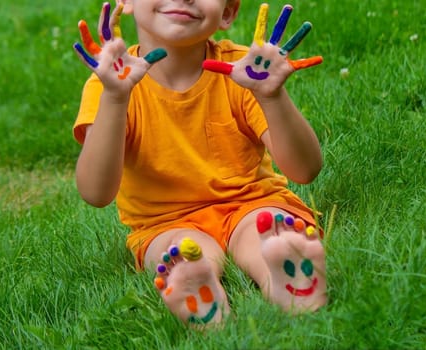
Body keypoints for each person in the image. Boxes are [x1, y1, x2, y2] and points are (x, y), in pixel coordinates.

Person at [72, 0, 327, 325]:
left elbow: (305, 170)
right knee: (181, 250)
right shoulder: (109, 85)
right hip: (163, 223)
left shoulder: (244, 70)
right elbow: (95, 192)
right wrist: (115, 97)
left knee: (266, 226)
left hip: (252, 203)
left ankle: (286, 270)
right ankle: (195, 283)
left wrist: (271, 96)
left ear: (228, 13)